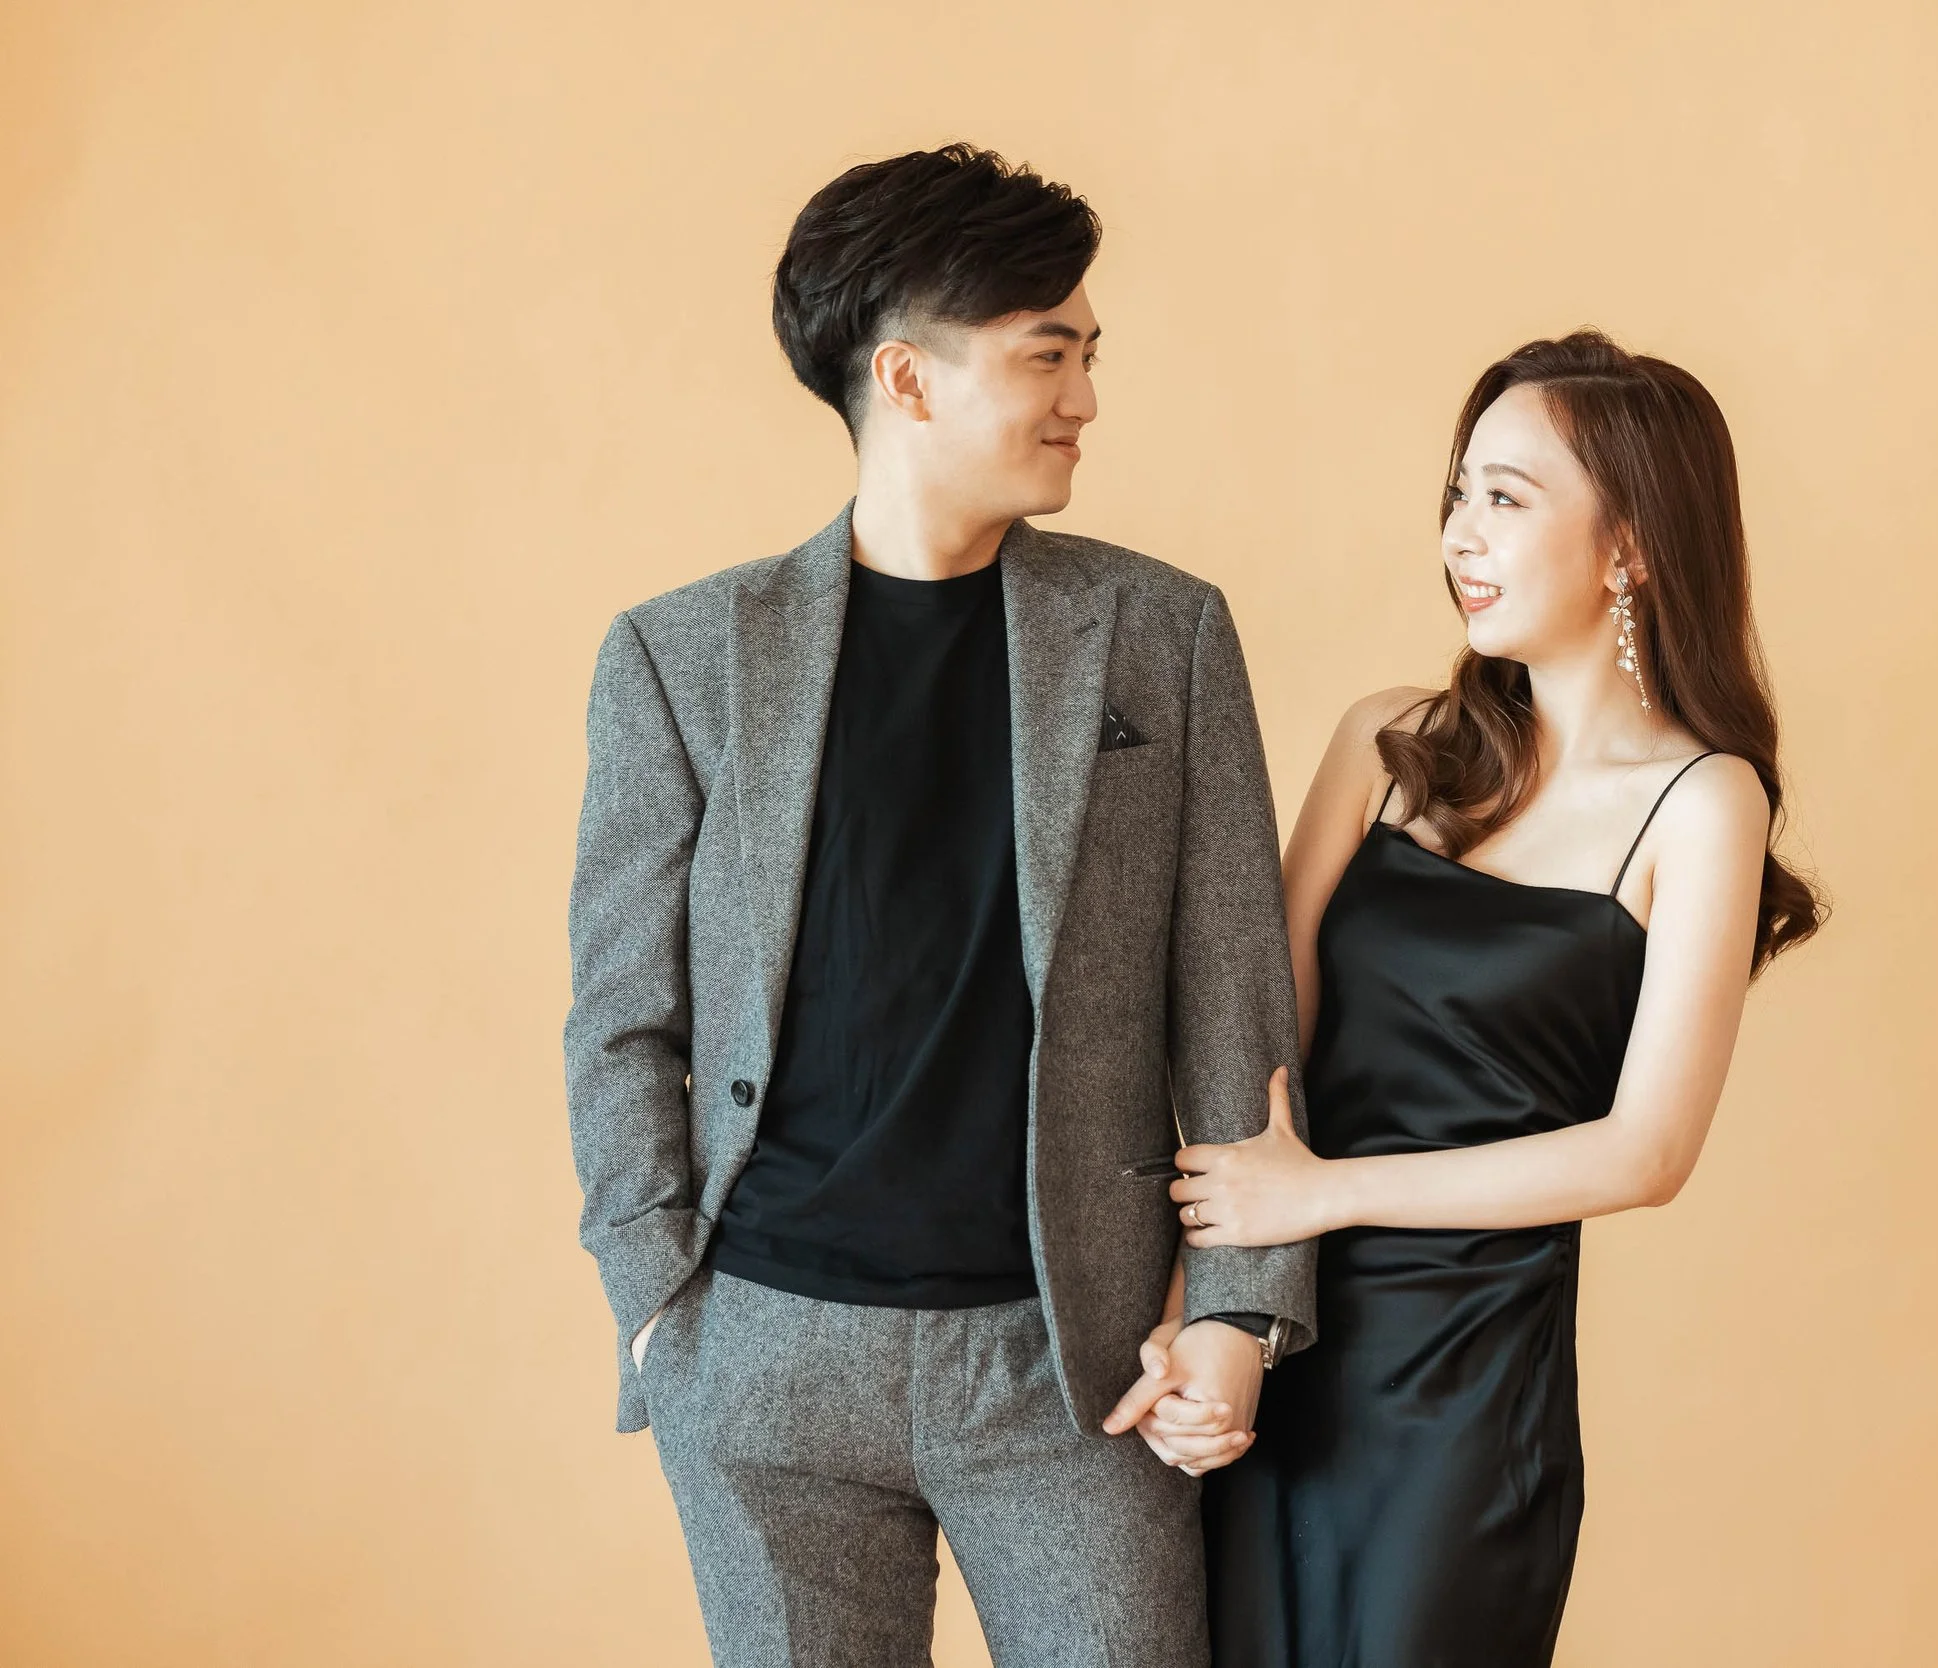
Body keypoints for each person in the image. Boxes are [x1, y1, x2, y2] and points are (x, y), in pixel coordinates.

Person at [561, 144, 1313, 1668]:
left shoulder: (1162, 633)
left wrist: (1239, 1311)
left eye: (1090, 354)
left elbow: (1234, 993)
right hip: (764, 1359)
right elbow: (623, 1017)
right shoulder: (682, 659)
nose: (1086, 396)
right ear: (905, 378)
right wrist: (658, 1304)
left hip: (1075, 1356)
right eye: (1048, 354)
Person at [1165, 332, 1825, 1667]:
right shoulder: (1386, 743)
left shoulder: (1704, 802)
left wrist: (1327, 1195)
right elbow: (1257, 1054)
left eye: (1507, 499)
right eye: (1459, 493)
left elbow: (1645, 1154)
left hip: (1462, 1400)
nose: (1460, 535)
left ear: (1630, 544)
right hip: (1273, 1338)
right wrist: (1202, 1319)